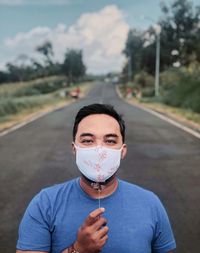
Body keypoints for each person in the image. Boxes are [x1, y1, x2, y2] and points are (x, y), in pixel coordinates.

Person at [16, 103, 176, 253]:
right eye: (87, 141)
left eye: (110, 141)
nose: (99, 150)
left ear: (123, 151)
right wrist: (77, 249)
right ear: (74, 149)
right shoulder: (44, 204)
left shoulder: (150, 204)